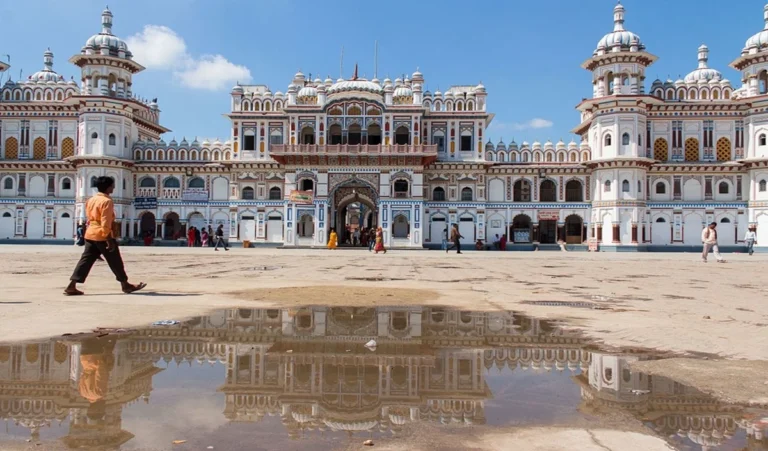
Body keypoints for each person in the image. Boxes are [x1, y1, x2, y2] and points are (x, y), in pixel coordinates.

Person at [64, 176, 146, 296]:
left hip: (90, 233)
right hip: (102, 235)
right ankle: (125, 284)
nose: (113, 187)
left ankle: (72, 285)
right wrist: (108, 239)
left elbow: (89, 217)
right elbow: (106, 221)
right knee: (115, 261)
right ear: (108, 187)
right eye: (112, 185)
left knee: (86, 260)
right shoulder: (106, 201)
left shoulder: (91, 200)